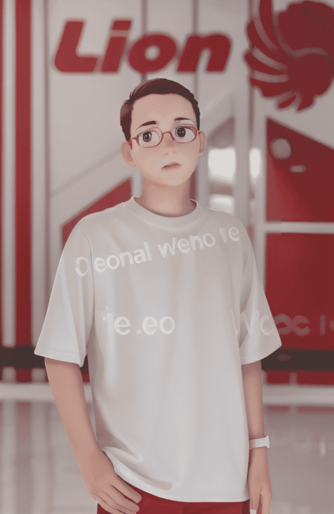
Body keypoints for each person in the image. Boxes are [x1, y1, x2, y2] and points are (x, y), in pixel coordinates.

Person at [34, 78, 282, 514]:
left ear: (200, 141)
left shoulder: (230, 236)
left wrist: (258, 451)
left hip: (225, 482)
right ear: (129, 151)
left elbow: (248, 356)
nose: (167, 145)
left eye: (181, 131)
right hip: (132, 482)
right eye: (148, 135)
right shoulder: (95, 236)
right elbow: (60, 355)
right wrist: (89, 460)